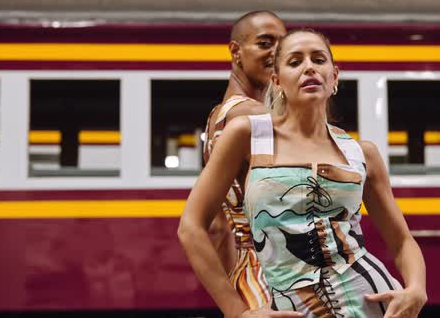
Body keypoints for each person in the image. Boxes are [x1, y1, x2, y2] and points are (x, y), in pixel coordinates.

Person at [179, 29, 427, 318]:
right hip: (289, 307)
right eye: (295, 62)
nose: (309, 66)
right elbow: (191, 227)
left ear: (334, 77)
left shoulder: (361, 152)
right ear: (277, 81)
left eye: (318, 59)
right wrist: (238, 313)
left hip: (370, 302)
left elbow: (401, 240)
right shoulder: (247, 134)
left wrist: (417, 288)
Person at [199, 10, 287, 310]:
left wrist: (235, 306)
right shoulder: (254, 116)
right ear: (236, 51)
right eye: (265, 43)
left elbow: (217, 228)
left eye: (282, 44)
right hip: (278, 277)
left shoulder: (217, 118)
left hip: (247, 277)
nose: (276, 52)